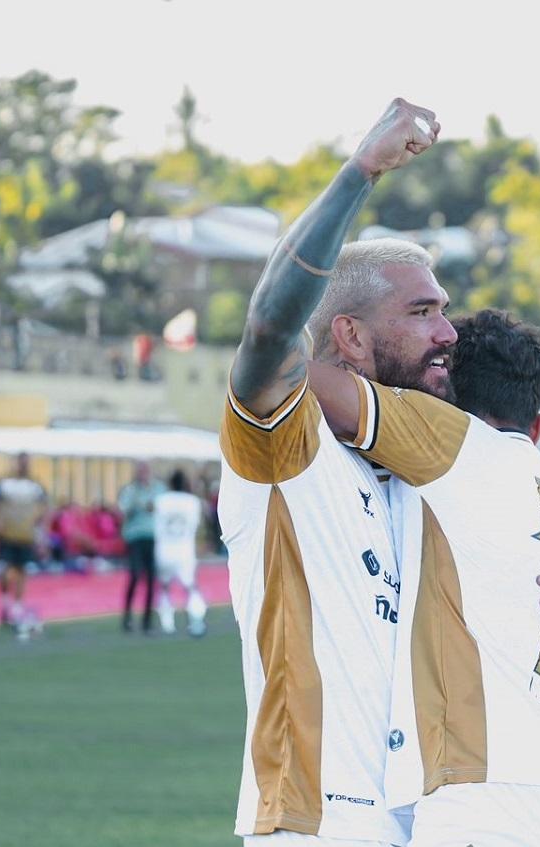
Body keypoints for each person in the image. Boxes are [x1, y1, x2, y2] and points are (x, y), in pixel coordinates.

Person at [306, 309, 540, 845]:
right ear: (537, 427)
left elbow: (290, 377)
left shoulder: (454, 441)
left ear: (446, 397)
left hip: (483, 799)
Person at [219, 97, 438, 846]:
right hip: (312, 822)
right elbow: (268, 330)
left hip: (423, 819)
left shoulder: (414, 473)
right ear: (348, 333)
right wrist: (360, 172)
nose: (447, 331)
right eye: (421, 312)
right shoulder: (287, 448)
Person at [0, 453, 47, 632]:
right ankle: (6, 601)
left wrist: (41, 535)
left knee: (22, 570)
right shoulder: (5, 484)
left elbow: (43, 510)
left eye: (27, 462)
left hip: (25, 535)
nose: (24, 465)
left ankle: (17, 606)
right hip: (7, 534)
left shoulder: (35, 486)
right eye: (22, 462)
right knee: (6, 571)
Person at [154, 469, 206, 638]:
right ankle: (196, 622)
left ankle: (168, 624)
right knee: (191, 588)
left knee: (164, 588)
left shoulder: (161, 500)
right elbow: (197, 525)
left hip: (164, 549)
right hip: (184, 550)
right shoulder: (193, 502)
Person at [117, 461, 166, 633]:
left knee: (152, 579)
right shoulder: (130, 490)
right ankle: (128, 616)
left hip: (153, 537)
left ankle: (147, 620)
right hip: (135, 537)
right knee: (135, 575)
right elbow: (123, 510)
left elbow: (163, 508)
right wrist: (138, 504)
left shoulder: (159, 488)